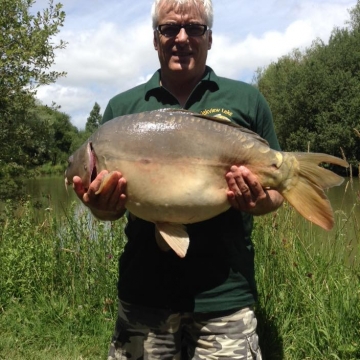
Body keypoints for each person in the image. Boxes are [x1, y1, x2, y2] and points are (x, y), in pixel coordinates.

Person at [73, 0, 284, 358]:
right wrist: (101, 208)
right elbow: (113, 213)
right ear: (155, 39)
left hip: (225, 296)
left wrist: (259, 200)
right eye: (169, 28)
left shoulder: (246, 99)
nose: (182, 38)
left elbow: (277, 194)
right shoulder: (122, 109)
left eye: (195, 28)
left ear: (210, 37)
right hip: (144, 297)